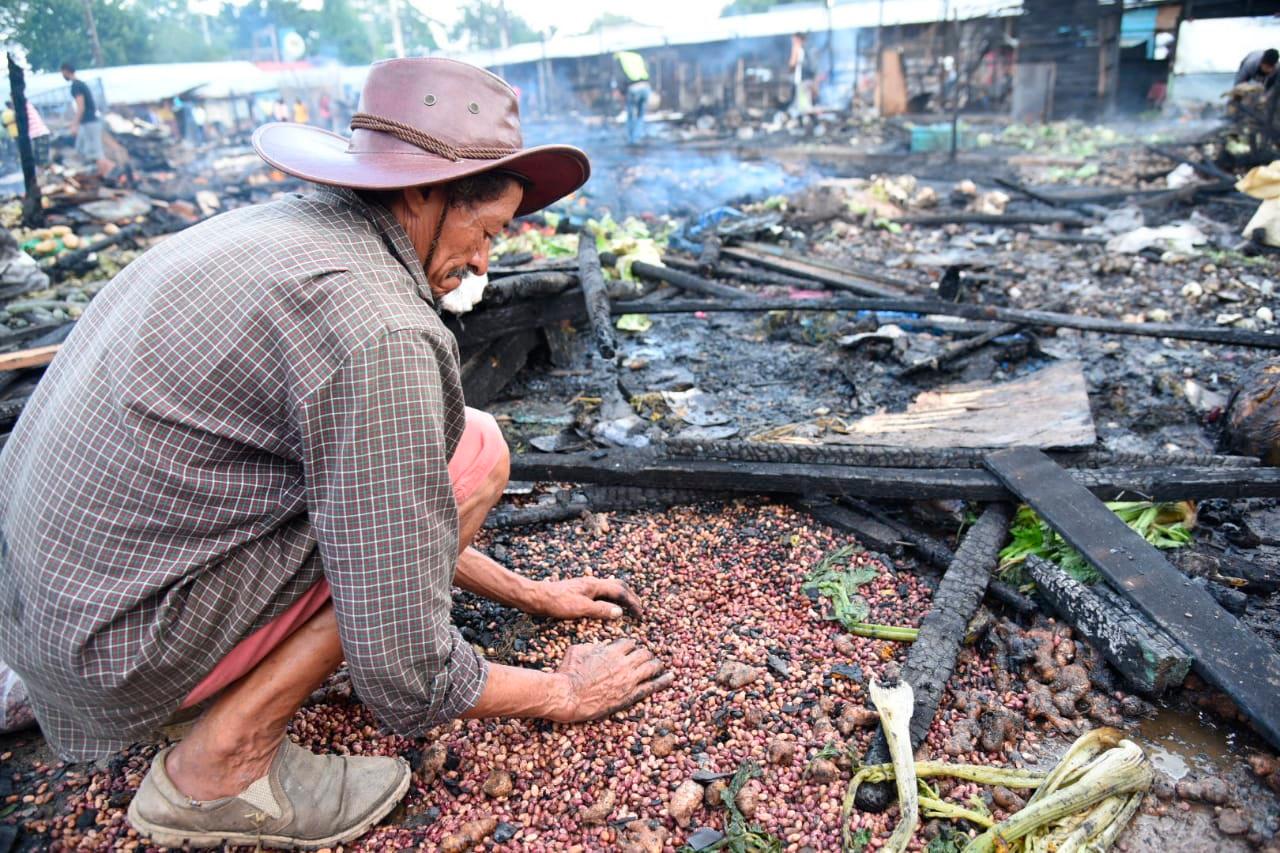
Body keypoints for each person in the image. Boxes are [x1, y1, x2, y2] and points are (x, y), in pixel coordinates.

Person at [0, 57, 669, 851]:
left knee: (450, 445)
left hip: (51, 614)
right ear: (421, 192)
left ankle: (208, 689)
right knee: (475, 452)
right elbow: (407, 663)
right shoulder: (379, 326)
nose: (486, 261)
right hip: (122, 649)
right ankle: (220, 768)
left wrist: (532, 594)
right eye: (486, 231)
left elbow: (384, 503)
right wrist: (561, 689)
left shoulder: (271, 228)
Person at [60, 62, 112, 176]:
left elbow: (81, 107)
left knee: (96, 153)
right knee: (82, 149)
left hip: (90, 123)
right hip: (87, 123)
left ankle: (110, 173)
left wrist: (75, 124)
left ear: (66, 71)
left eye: (62, 72)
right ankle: (99, 173)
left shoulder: (76, 86)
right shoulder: (80, 84)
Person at [614, 50, 651, 144]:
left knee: (630, 115)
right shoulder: (636, 57)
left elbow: (620, 76)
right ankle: (637, 137)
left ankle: (632, 140)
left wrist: (621, 91)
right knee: (640, 115)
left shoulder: (620, 58)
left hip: (633, 88)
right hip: (645, 86)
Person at [2, 99, 51, 166]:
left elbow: (5, 124)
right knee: (37, 156)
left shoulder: (11, 112)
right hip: (23, 134)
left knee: (36, 156)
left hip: (26, 134)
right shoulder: (14, 111)